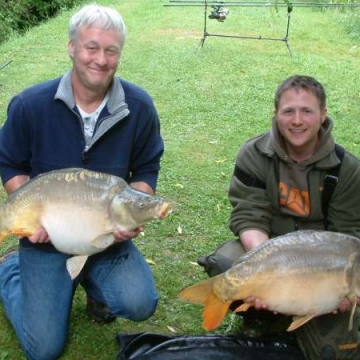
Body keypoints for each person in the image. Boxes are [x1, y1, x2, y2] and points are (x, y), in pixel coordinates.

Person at [0, 4, 164, 360]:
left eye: (111, 50)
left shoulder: (139, 107)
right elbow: (10, 161)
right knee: (42, 349)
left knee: (139, 302)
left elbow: (147, 168)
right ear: (72, 47)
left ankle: (91, 282)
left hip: (105, 236)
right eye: (91, 47)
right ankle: (11, 272)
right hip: (46, 241)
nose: (101, 60)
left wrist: (134, 209)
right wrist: (31, 219)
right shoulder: (30, 104)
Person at [198, 75, 360, 360]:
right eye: (288, 111)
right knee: (228, 263)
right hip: (268, 248)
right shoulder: (254, 154)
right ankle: (260, 315)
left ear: (323, 114)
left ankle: (297, 312)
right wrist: (266, 264)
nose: (297, 120)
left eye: (307, 111)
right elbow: (249, 216)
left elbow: (347, 235)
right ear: (276, 114)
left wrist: (342, 294)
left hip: (320, 261)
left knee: (332, 353)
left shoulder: (347, 169)